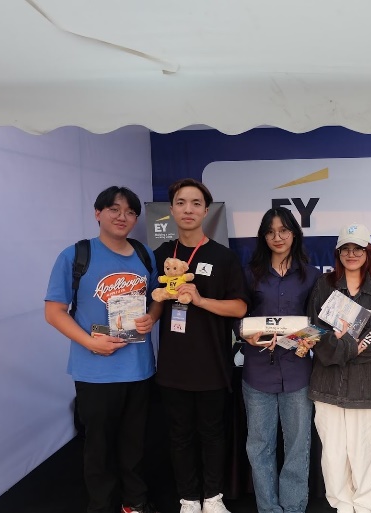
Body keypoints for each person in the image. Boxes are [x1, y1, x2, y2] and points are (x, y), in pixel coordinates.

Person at [44, 186, 158, 513]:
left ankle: (134, 503)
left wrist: (151, 317)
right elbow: (53, 312)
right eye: (114, 209)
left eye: (130, 212)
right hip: (94, 371)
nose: (122, 217)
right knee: (98, 446)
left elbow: (156, 301)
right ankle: (101, 506)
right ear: (98, 213)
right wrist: (90, 342)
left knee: (134, 444)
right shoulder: (76, 255)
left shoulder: (143, 254)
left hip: (138, 367)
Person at [148, 178, 248, 513]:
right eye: (180, 202)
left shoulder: (223, 257)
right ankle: (189, 499)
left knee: (212, 435)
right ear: (172, 209)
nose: (187, 209)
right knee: (179, 436)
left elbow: (239, 307)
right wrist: (150, 315)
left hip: (212, 365)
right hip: (173, 367)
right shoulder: (161, 255)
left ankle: (214, 497)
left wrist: (202, 301)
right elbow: (156, 302)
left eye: (195, 203)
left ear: (206, 210)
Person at [303, 222, 371, 513]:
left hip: (367, 388)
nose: (352, 254)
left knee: (366, 454)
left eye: (358, 248)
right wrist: (343, 347)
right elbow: (314, 333)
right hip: (327, 386)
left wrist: (342, 347)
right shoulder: (323, 286)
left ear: (368, 253)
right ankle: (341, 507)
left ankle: (366, 508)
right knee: (332, 456)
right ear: (338, 253)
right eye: (346, 249)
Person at [240, 207, 321, 513]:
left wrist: (304, 338)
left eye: (284, 231)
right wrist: (244, 332)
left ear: (294, 234)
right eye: (271, 231)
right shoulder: (250, 274)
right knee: (259, 447)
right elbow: (238, 318)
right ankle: (269, 508)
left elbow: (319, 326)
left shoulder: (311, 275)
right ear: (263, 236)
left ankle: (293, 506)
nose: (278, 237)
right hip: (257, 373)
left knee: (298, 447)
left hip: (298, 373)